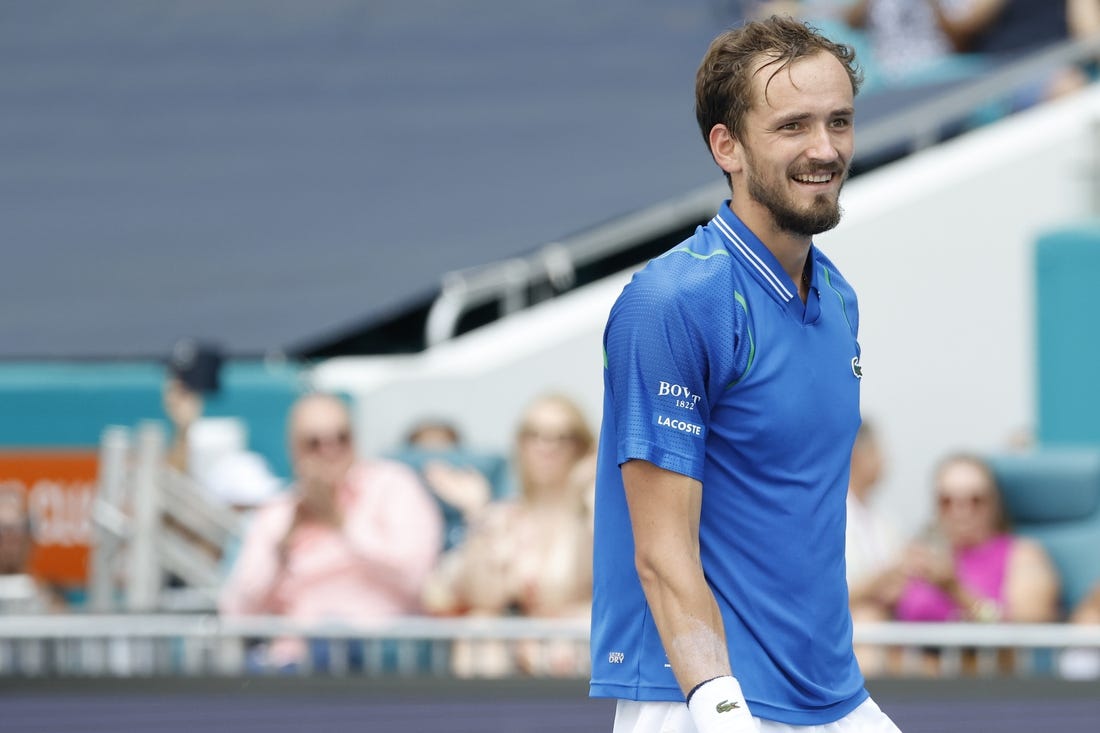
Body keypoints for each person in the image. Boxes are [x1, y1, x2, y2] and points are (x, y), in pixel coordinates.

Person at [589, 15, 903, 733]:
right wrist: (723, 712)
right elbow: (662, 553)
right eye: (793, 126)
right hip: (702, 700)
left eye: (839, 122)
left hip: (835, 696)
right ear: (725, 145)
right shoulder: (669, 304)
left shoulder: (837, 296)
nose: (825, 149)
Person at [219, 392, 444, 670]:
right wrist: (281, 551)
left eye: (342, 438)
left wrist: (342, 526)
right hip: (296, 660)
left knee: (330, 644)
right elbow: (237, 613)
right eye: (314, 443)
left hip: (383, 654)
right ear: (294, 450)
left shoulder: (394, 485)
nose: (330, 450)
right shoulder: (278, 512)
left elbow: (416, 578)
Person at [422, 393, 596, 677]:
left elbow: (565, 589)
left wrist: (580, 496)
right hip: (513, 660)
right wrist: (476, 512)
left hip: (572, 657)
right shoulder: (503, 516)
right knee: (478, 631)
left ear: (583, 447)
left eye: (562, 437)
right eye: (533, 435)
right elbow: (483, 598)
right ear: (520, 444)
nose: (545, 447)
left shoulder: (595, 514)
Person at [893, 453, 1061, 625]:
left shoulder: (1022, 555)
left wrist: (956, 590)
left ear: (994, 503)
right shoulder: (920, 557)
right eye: (947, 501)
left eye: (975, 501)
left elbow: (1026, 631)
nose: (960, 512)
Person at [844, 421, 907, 676]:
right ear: (858, 455)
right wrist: (876, 583)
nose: (885, 461)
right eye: (879, 452)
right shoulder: (827, 517)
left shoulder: (885, 520)